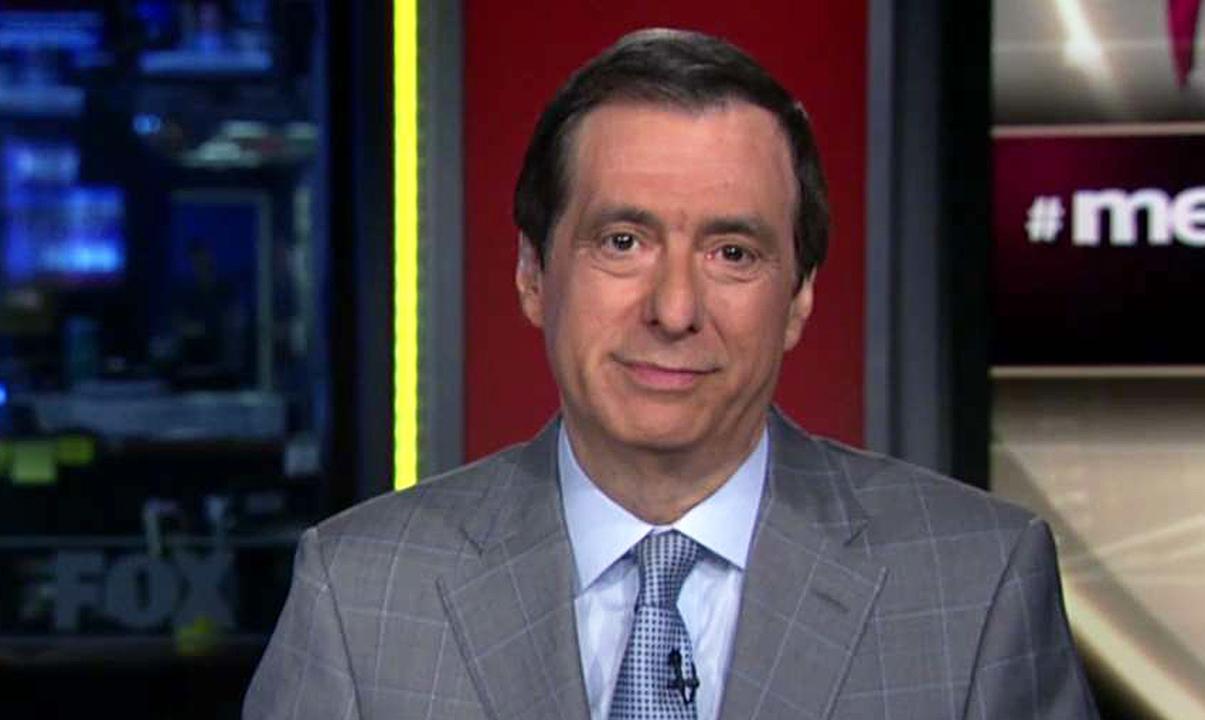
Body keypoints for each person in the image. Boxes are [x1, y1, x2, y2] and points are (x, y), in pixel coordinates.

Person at [244, 29, 1097, 720]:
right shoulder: (361, 596)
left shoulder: (975, 585)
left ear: (799, 299)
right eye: (623, 242)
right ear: (533, 275)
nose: (675, 308)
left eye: (733, 252)